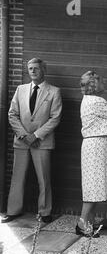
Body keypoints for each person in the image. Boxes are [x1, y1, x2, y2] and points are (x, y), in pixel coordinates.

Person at [1, 58, 62, 224]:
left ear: (44, 70)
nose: (32, 71)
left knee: (44, 178)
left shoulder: (54, 91)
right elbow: (12, 114)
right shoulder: (20, 89)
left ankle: (45, 212)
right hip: (21, 141)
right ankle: (13, 210)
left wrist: (35, 135)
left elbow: (55, 118)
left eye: (36, 68)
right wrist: (24, 135)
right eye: (30, 68)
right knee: (17, 177)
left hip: (42, 142)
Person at [75, 71, 107, 237]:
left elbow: (106, 110)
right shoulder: (95, 101)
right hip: (96, 146)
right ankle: (82, 223)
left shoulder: (93, 100)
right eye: (101, 81)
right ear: (94, 85)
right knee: (93, 186)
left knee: (96, 184)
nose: (104, 83)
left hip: (97, 145)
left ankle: (90, 219)